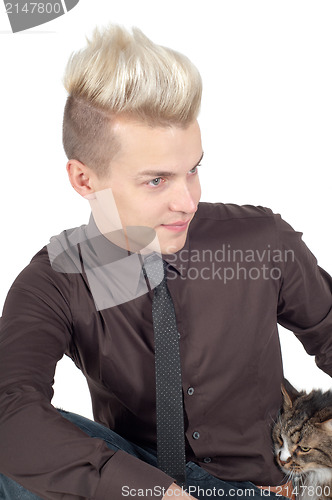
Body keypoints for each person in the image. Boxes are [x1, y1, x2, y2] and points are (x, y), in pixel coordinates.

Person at [0, 24, 331, 500]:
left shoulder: (259, 242)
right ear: (83, 179)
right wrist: (155, 492)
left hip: (266, 487)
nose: (189, 201)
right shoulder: (55, 281)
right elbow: (11, 410)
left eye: (193, 169)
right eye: (156, 181)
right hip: (139, 484)